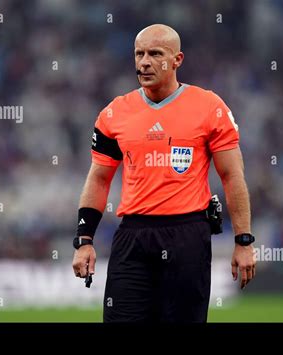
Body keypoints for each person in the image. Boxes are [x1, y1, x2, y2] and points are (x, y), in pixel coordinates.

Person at [72, 24, 256, 322]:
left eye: (155, 54)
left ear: (177, 60)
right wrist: (84, 240)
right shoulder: (114, 113)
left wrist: (243, 241)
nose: (144, 61)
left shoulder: (210, 108)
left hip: (187, 237)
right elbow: (99, 178)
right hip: (133, 237)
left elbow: (232, 176)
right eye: (139, 54)